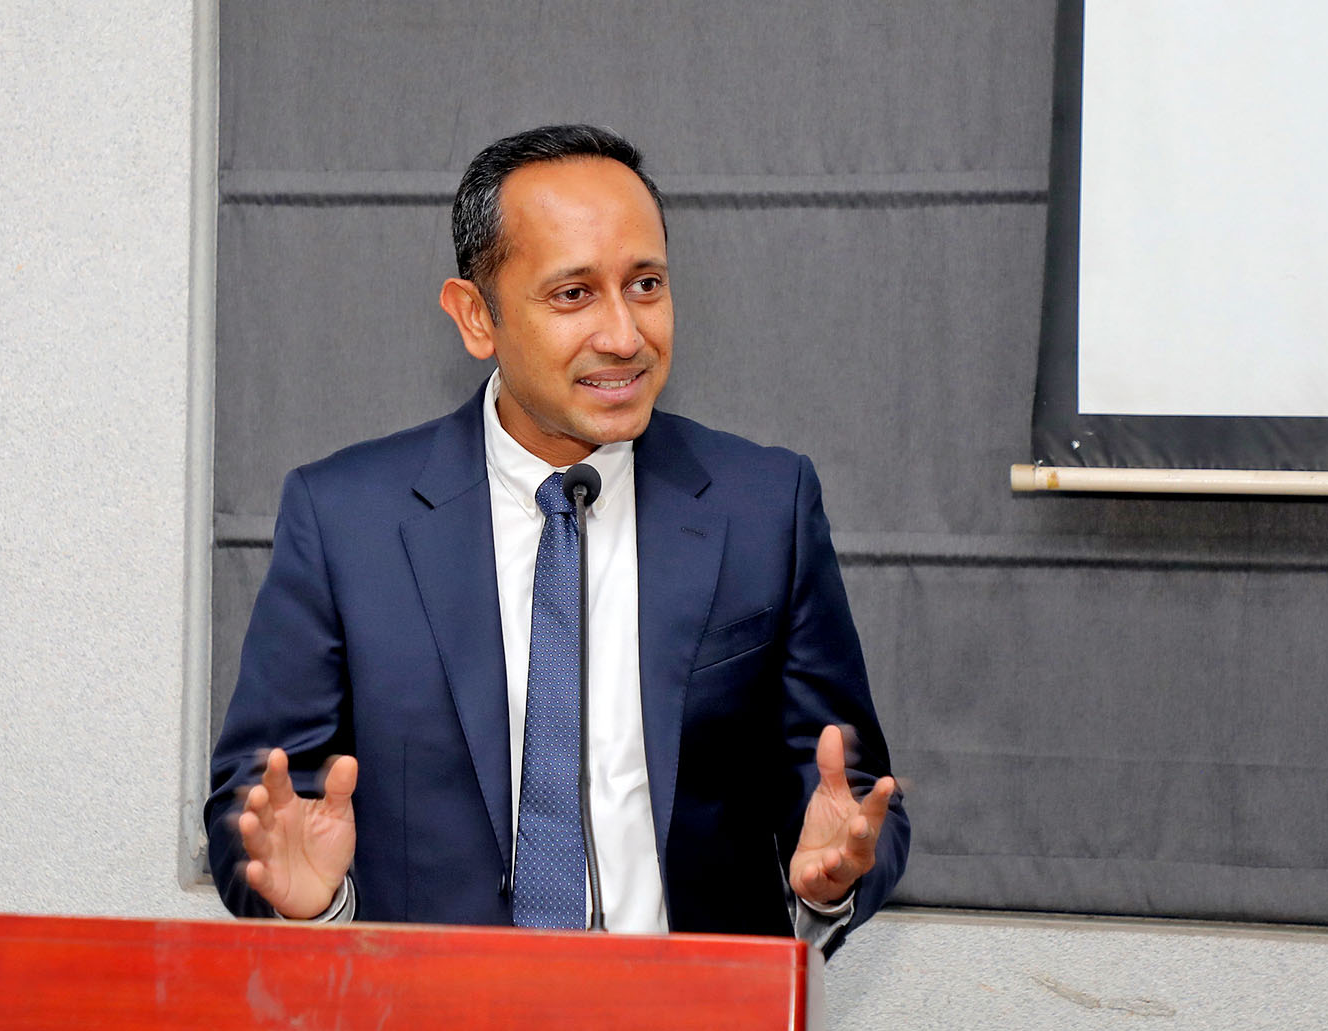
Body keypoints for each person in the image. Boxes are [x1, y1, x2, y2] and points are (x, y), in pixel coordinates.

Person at [207, 124, 906, 960]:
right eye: (574, 294)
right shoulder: (344, 519)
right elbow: (260, 811)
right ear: (477, 316)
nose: (625, 335)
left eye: (645, 284)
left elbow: (851, 794)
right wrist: (312, 905)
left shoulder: (765, 506)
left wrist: (830, 878)